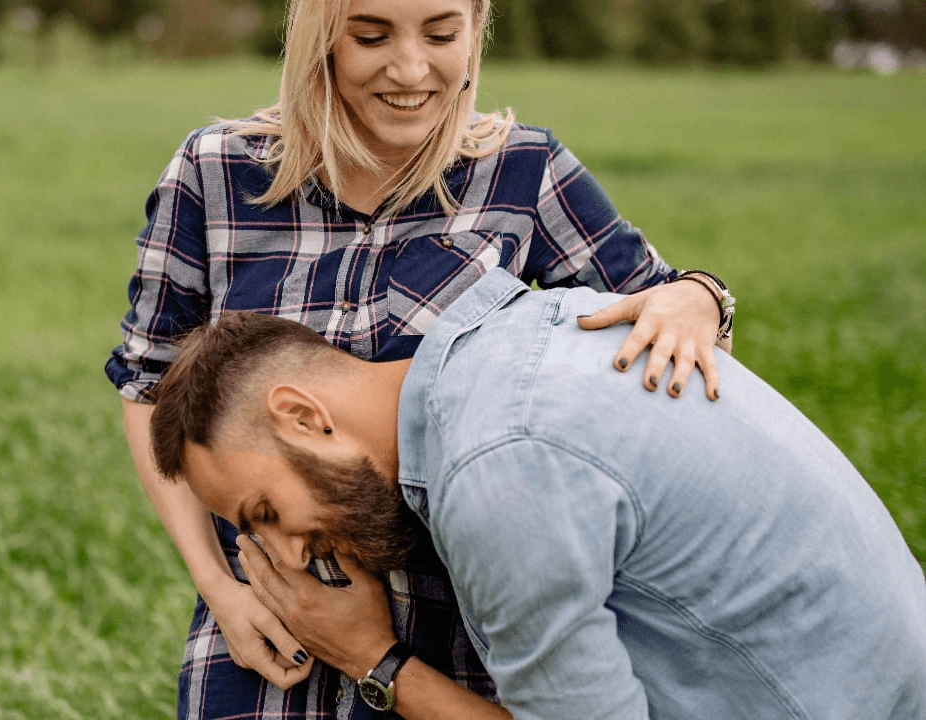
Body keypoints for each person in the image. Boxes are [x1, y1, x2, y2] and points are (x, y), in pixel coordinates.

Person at [105, 0, 737, 716]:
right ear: (323, 41)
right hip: (270, 630)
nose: (410, 68)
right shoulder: (215, 174)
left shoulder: (523, 174)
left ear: (475, 31)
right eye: (371, 36)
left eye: (441, 34)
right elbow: (150, 386)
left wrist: (700, 296)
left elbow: (658, 324)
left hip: (456, 649)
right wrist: (220, 586)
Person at [148, 267, 926, 720]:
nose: (288, 555)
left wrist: (371, 658)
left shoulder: (495, 469)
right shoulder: (525, 333)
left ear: (303, 416)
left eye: (267, 515)